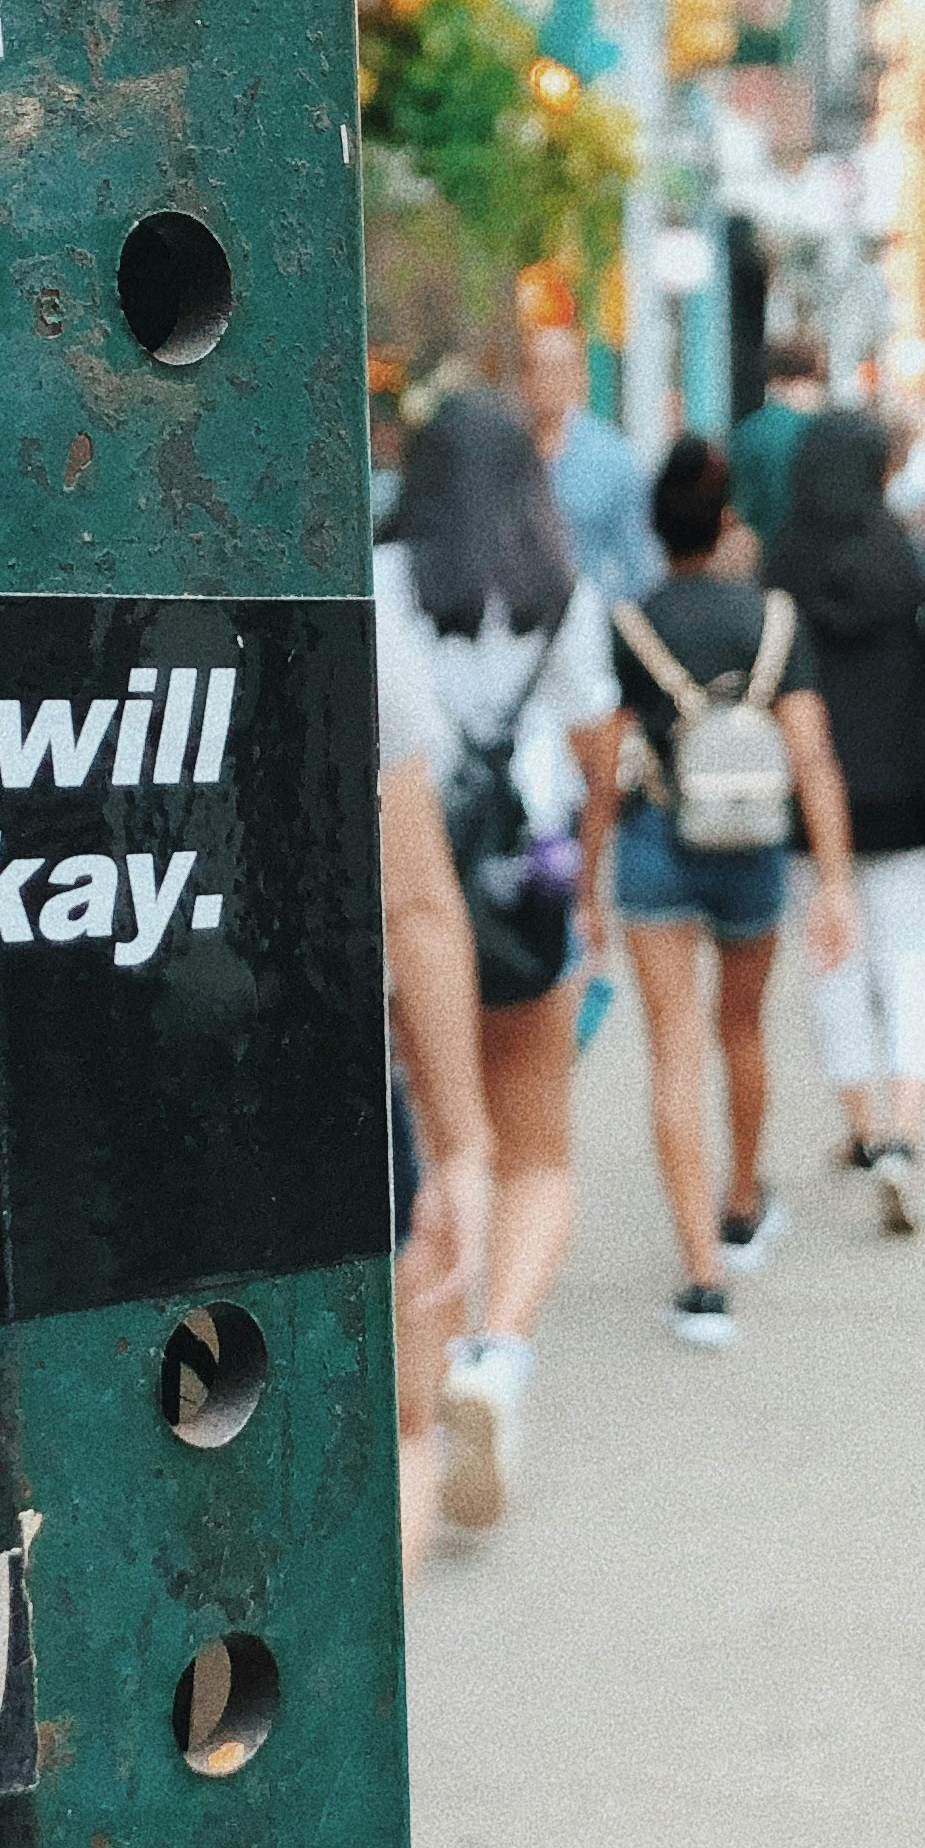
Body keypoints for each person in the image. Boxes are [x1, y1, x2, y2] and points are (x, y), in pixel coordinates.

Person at [376, 387, 621, 1524]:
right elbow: (597, 746)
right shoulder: (557, 588)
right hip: (525, 893)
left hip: (405, 897)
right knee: (537, 1157)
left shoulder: (376, 582)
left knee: (432, 1151)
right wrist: (594, 890)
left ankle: (420, 1408)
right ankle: (498, 1356)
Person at [608, 432, 856, 1346]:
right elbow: (812, 756)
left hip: (656, 845)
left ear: (656, 526)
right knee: (742, 1030)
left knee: (673, 1050)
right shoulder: (773, 621)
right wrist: (834, 883)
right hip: (752, 847)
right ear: (725, 523)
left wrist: (583, 885)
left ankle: (702, 1277)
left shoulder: (630, 623)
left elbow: (600, 763)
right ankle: (743, 1203)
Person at [772, 409, 925, 1236]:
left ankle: (864, 1130)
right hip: (916, 799)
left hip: (814, 806)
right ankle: (906, 1133)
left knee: (834, 963)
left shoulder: (780, 568)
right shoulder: (920, 558)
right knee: (915, 959)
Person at [375, 612, 495, 1584]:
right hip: (309, 1094)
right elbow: (413, 905)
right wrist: (461, 1145)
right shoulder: (332, 598)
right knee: (396, 1425)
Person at [519, 317, 656, 610]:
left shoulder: (614, 458)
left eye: (560, 369)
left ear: (581, 376)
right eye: (538, 368)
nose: (548, 381)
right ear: (523, 378)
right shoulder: (502, 455)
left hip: (588, 621)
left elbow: (639, 562)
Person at [720, 328, 827, 558]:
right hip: (815, 557)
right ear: (813, 376)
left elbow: (736, 507)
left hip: (762, 558)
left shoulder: (746, 432)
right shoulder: (823, 433)